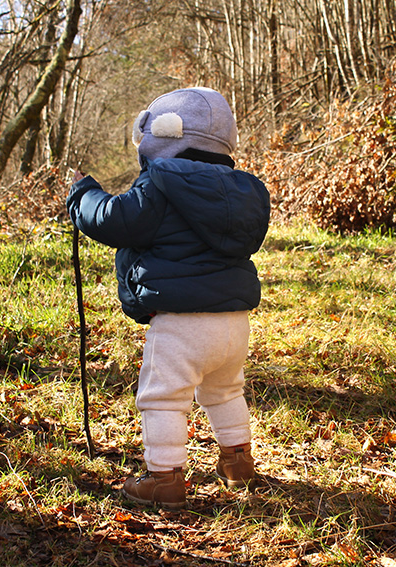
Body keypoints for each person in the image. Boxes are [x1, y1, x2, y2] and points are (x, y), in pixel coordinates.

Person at [65, 87, 271, 509]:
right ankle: (237, 462)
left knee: (163, 396)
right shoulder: (243, 190)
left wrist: (83, 195)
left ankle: (163, 477)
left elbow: (114, 220)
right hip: (234, 322)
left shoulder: (161, 183)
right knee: (226, 390)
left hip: (181, 322)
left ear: (165, 135)